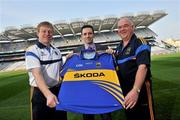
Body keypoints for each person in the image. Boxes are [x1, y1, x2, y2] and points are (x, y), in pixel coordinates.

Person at [106, 18, 154, 120]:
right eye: (119, 27)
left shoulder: (140, 42)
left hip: (140, 91)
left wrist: (136, 90)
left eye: (125, 26)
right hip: (125, 91)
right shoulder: (119, 47)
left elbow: (143, 67)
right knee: (131, 116)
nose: (122, 29)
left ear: (133, 27)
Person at [67, 25, 112, 120]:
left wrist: (113, 55)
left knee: (106, 116)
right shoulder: (76, 51)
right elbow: (71, 71)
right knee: (87, 117)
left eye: (90, 33)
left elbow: (112, 68)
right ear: (81, 36)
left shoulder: (104, 48)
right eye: (85, 34)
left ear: (93, 35)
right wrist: (67, 60)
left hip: (102, 89)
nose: (87, 36)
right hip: (85, 90)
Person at [25, 21, 67, 120]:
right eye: (44, 31)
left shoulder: (57, 51)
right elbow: (37, 74)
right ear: (38, 33)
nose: (47, 34)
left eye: (50, 32)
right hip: (41, 93)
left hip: (57, 91)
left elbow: (62, 71)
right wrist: (48, 94)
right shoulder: (32, 50)